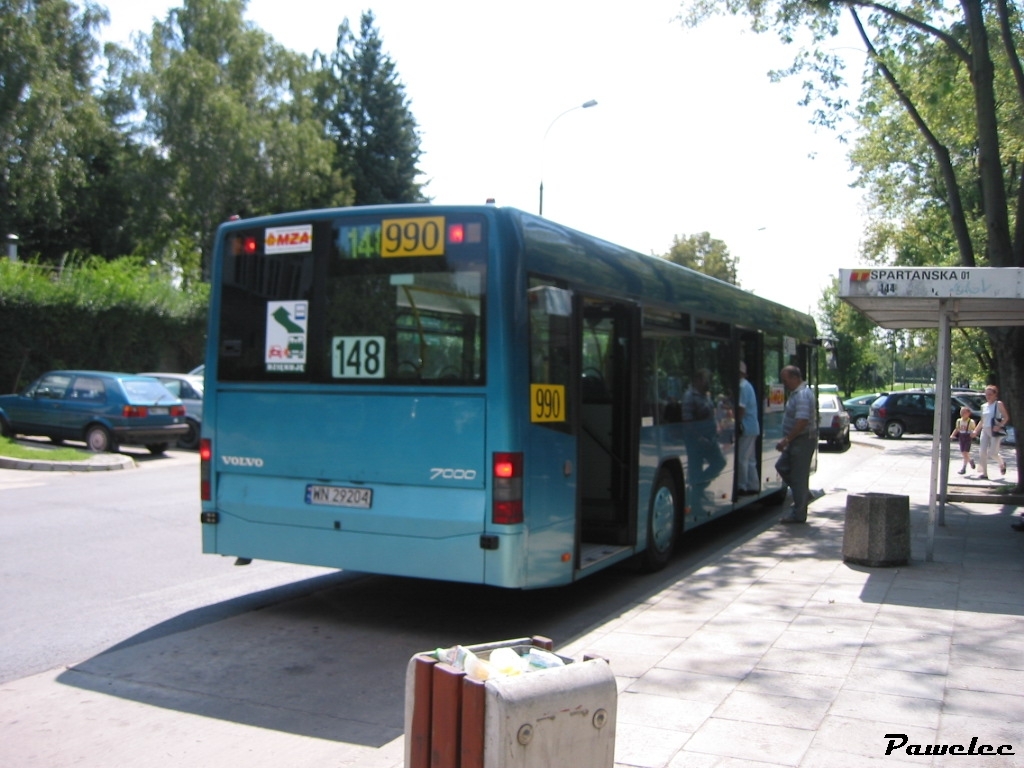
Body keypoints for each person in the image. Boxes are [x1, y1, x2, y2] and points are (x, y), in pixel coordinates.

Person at [774, 365, 817, 523]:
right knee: (782, 466)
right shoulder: (797, 394)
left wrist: (786, 440)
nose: (784, 384)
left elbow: (802, 421)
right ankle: (803, 494)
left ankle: (798, 514)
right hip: (796, 440)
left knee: (798, 477)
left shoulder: (802, 395)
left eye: (785, 380)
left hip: (802, 440)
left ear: (794, 378)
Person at [971, 384, 1010, 480]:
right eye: (986, 394)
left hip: (995, 431)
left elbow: (1006, 417)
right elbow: (982, 420)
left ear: (995, 394)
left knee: (993, 453)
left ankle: (1002, 463)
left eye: (990, 394)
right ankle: (984, 474)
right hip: (985, 430)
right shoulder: (983, 406)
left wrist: (999, 425)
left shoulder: (998, 404)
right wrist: (976, 431)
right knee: (982, 451)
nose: (988, 396)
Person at [736, 361, 760, 495]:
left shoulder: (742, 387)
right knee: (750, 459)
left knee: (742, 458)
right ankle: (753, 485)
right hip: (752, 427)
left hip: (746, 427)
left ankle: (742, 486)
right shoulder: (748, 385)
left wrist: (736, 422)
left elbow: (741, 408)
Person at [950, 406, 977, 475]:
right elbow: (957, 429)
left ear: (968, 413)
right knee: (964, 452)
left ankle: (964, 468)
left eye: (964, 412)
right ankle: (970, 461)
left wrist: (973, 433)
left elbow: (973, 430)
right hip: (961, 437)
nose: (962, 413)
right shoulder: (959, 421)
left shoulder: (971, 422)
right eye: (961, 412)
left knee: (965, 452)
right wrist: (953, 435)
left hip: (967, 437)